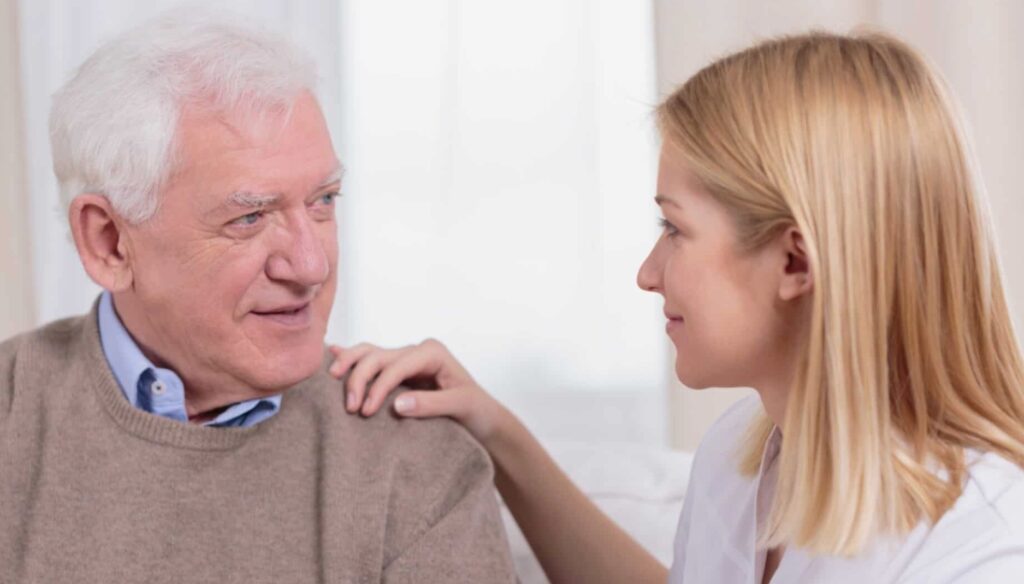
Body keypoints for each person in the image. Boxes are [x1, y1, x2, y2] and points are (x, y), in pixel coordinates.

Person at [329, 31, 1024, 583]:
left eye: (674, 228)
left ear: (795, 262)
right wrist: (495, 430)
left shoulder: (985, 544)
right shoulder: (744, 458)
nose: (647, 274)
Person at [0, 12, 516, 583]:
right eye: (249, 217)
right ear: (110, 243)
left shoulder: (417, 461)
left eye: (323, 201)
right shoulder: (12, 412)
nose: (313, 265)